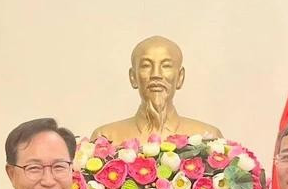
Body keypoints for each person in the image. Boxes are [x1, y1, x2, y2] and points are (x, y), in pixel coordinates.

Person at [90, 35, 223, 144]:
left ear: (180, 77)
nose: (156, 74)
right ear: (133, 77)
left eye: (166, 66)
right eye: (146, 65)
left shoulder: (208, 138)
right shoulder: (106, 138)